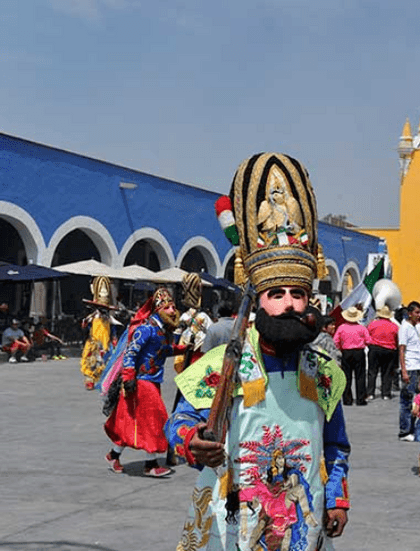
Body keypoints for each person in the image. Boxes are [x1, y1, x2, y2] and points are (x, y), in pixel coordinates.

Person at [165, 153, 350, 550]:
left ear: (309, 301)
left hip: (304, 513)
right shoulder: (220, 364)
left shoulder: (325, 372)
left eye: (297, 294)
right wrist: (193, 439)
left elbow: (335, 444)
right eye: (276, 294)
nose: (288, 304)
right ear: (258, 300)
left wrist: (337, 497)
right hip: (229, 513)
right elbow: (178, 422)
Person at [103, 287, 185, 477]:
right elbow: (131, 353)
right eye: (169, 308)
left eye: (173, 307)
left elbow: (163, 351)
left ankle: (113, 455)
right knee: (155, 420)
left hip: (153, 380)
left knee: (133, 422)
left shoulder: (162, 331)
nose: (173, 311)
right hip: (141, 381)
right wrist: (128, 377)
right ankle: (151, 465)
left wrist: (183, 349)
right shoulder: (146, 329)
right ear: (158, 310)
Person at [334, 306, 371, 405]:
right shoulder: (361, 328)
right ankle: (360, 399)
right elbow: (368, 341)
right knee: (360, 376)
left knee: (346, 376)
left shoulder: (341, 328)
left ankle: (347, 399)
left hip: (346, 352)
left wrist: (340, 348)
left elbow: (336, 341)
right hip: (359, 352)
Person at [398, 301, 420, 441]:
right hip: (410, 366)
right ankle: (404, 431)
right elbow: (402, 350)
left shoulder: (414, 327)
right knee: (406, 400)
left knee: (417, 399)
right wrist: (404, 370)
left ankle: (413, 428)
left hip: (416, 367)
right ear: (410, 313)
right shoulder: (405, 327)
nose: (419, 315)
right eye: (417, 312)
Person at [366, 305, 398, 400]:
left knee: (372, 371)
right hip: (389, 350)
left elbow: (368, 335)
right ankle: (386, 393)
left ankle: (370, 393)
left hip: (375, 348)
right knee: (387, 372)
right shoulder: (394, 326)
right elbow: (396, 339)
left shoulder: (373, 324)